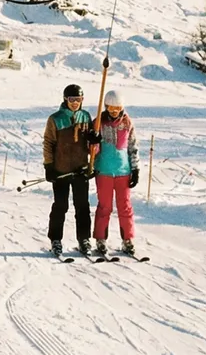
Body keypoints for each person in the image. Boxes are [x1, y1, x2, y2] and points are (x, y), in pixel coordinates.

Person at [43, 84, 97, 257]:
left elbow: (91, 146)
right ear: (65, 99)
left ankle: (84, 239)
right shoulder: (55, 119)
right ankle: (55, 240)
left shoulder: (86, 117)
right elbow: (48, 143)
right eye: (72, 99)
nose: (75, 103)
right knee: (61, 206)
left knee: (82, 206)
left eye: (78, 100)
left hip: (80, 170)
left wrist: (94, 141)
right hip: (61, 170)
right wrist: (49, 166)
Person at [91, 91, 140, 257]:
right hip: (104, 171)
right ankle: (100, 239)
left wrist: (135, 169)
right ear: (106, 106)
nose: (114, 111)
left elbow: (133, 147)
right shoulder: (98, 122)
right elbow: (92, 150)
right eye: (111, 108)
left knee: (125, 207)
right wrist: (93, 141)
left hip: (123, 172)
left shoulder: (127, 123)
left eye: (117, 108)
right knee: (105, 207)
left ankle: (128, 240)